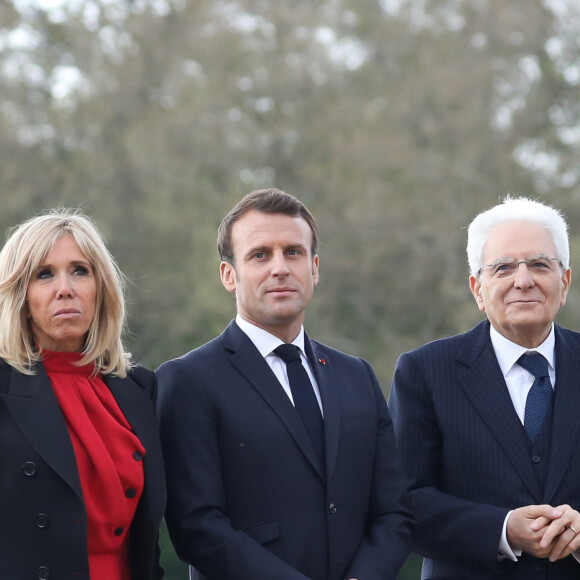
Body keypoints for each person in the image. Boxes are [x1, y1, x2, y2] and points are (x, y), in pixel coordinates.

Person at [156, 188, 413, 580]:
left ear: (314, 268)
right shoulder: (189, 380)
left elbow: (393, 511)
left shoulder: (356, 375)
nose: (280, 268)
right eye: (260, 255)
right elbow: (197, 526)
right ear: (229, 275)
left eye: (293, 252)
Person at [388, 196, 580, 580]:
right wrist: (502, 529)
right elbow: (401, 502)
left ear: (564, 281)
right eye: (504, 267)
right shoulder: (424, 372)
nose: (523, 280)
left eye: (540, 264)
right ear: (477, 288)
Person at [0, 209, 166, 579]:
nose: (65, 288)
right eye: (44, 275)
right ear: (21, 298)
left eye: (80, 270)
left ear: (100, 288)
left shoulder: (139, 388)